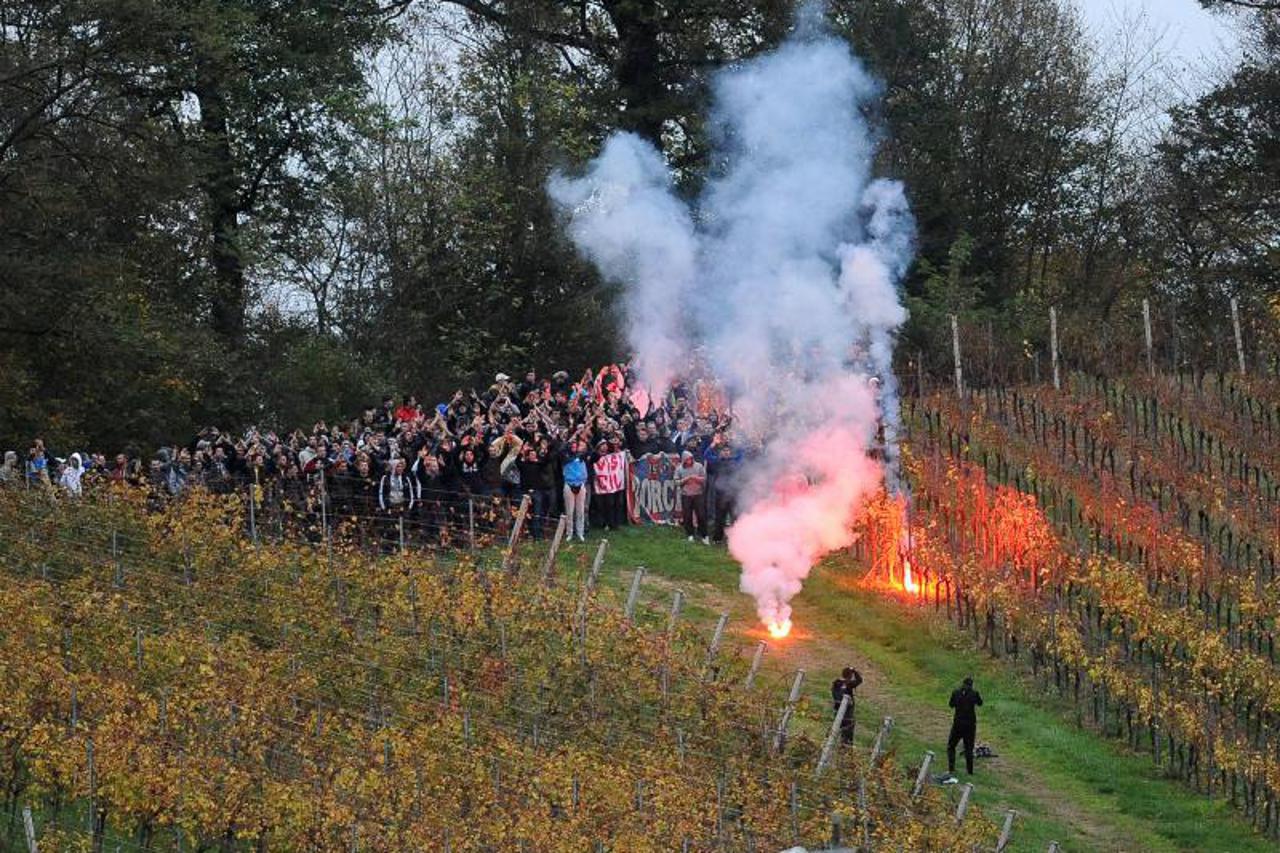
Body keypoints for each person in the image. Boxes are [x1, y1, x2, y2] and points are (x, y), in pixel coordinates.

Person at [947, 676, 984, 776]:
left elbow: (951, 705)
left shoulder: (956, 692)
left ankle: (951, 768)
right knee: (969, 748)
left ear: (962, 684)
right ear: (971, 685)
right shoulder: (974, 694)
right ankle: (970, 771)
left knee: (951, 746)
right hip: (970, 725)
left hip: (958, 723)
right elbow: (980, 703)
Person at [673, 450, 707, 543]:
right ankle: (690, 534)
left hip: (698, 494)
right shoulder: (679, 469)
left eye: (691, 459)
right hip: (686, 495)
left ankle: (704, 535)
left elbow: (704, 478)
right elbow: (676, 482)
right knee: (687, 516)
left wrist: (696, 478)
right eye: (687, 459)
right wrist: (685, 479)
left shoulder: (699, 466)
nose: (689, 461)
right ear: (684, 460)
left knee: (701, 515)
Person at [831, 666, 863, 744]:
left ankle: (828, 746)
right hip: (848, 714)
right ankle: (845, 749)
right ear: (850, 676)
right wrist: (854, 671)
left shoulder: (836, 683)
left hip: (837, 711)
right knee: (848, 735)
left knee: (833, 731)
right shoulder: (849, 684)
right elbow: (859, 680)